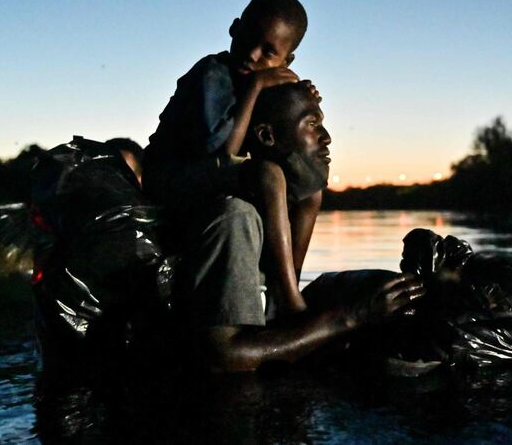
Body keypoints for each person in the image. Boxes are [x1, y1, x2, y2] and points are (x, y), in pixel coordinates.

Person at [172, 82, 425, 372]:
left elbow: (285, 313)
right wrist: (352, 317)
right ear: (267, 136)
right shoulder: (236, 216)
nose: (326, 137)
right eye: (311, 123)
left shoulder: (290, 207)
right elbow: (224, 356)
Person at [142, 0, 319, 316]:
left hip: (217, 175)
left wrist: (302, 102)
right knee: (267, 175)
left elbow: (288, 144)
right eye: (249, 39)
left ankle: (286, 284)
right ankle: (290, 298)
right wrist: (255, 87)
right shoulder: (212, 73)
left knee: (312, 186)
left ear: (287, 61)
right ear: (234, 29)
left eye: (268, 52)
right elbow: (223, 151)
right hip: (172, 178)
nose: (253, 55)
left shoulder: (269, 82)